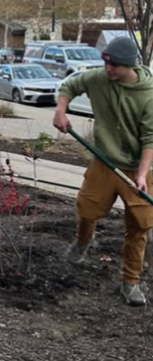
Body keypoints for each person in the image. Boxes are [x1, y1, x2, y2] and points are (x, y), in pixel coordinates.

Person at [54, 36, 153, 306]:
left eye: (115, 66)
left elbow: (150, 140)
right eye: (106, 63)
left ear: (129, 65)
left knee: (139, 226)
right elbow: (69, 84)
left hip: (136, 168)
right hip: (103, 161)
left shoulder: (148, 94)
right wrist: (61, 110)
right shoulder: (99, 78)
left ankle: (130, 282)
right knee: (86, 208)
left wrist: (142, 176)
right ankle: (83, 242)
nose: (108, 70)